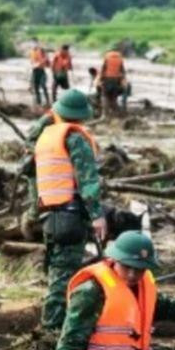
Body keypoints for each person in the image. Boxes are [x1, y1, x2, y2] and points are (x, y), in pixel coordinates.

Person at [33, 90, 106, 330]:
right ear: (82, 116)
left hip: (49, 217)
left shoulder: (45, 137)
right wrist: (97, 215)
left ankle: (57, 329)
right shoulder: (74, 139)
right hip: (70, 217)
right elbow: (88, 179)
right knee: (64, 279)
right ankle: (50, 333)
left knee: (58, 273)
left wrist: (48, 117)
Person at [99, 47, 128, 115]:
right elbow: (122, 71)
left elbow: (103, 69)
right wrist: (123, 80)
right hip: (116, 80)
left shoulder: (107, 57)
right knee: (114, 97)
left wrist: (100, 79)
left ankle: (105, 113)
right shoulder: (120, 58)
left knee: (105, 95)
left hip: (107, 79)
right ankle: (116, 112)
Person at [29, 39, 50, 108]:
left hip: (41, 71)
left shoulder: (41, 50)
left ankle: (47, 101)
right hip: (34, 71)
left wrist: (42, 62)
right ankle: (39, 103)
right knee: (36, 88)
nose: (33, 45)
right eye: (32, 43)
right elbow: (31, 62)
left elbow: (47, 59)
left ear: (37, 43)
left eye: (35, 43)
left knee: (43, 85)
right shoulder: (31, 52)